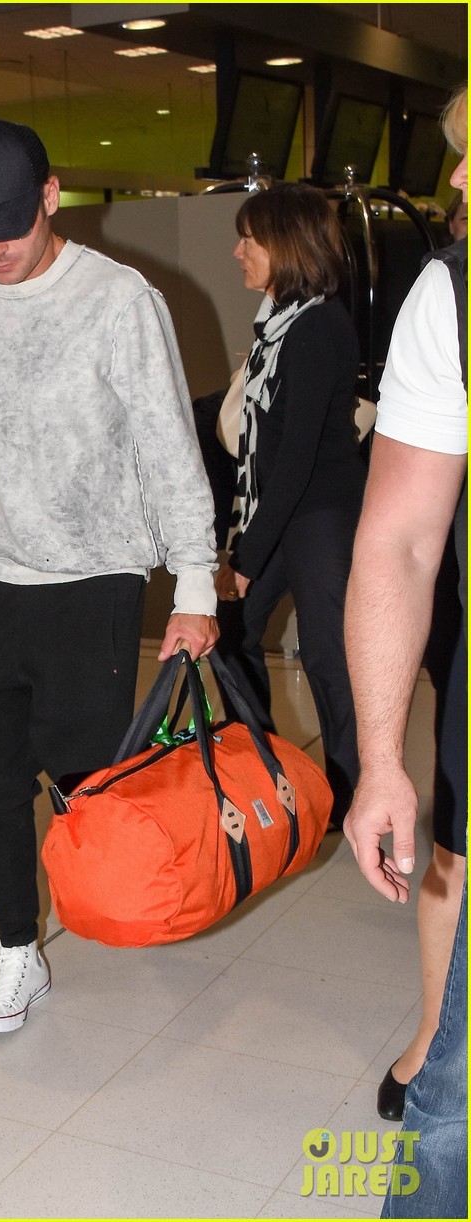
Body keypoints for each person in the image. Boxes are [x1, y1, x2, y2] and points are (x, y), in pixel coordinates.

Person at [0, 119, 219, 1033]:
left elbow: (169, 449)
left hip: (96, 577)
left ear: (50, 195)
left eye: (10, 226)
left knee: (89, 779)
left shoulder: (120, 301)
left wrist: (194, 590)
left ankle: (141, 888)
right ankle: (14, 952)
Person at [343, 83, 467, 1220]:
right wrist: (381, 758)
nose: (460, 184)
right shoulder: (450, 296)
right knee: (456, 1126)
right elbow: (401, 537)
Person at [213, 184, 366, 830]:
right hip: (283, 509)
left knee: (331, 658)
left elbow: (299, 456)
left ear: (286, 246)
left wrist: (247, 555)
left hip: (323, 512)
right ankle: (264, 763)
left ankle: (352, 794)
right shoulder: (277, 327)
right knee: (231, 631)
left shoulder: (318, 326)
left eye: (250, 239)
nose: (237, 251)